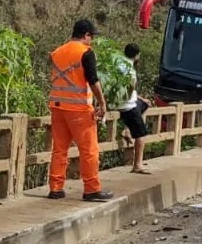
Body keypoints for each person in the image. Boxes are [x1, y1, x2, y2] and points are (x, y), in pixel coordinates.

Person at [47, 19, 113, 202]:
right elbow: (93, 80)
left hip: (57, 106)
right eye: (91, 37)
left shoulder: (56, 52)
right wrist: (102, 103)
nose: (91, 41)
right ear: (86, 35)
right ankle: (91, 189)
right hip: (79, 109)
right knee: (89, 150)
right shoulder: (86, 52)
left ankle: (55, 188)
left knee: (59, 149)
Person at [116, 43, 152, 175]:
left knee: (145, 104)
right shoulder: (130, 70)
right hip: (128, 106)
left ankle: (127, 130)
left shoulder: (118, 65)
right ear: (137, 55)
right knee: (141, 135)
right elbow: (130, 88)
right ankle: (138, 164)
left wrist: (141, 98)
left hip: (118, 103)